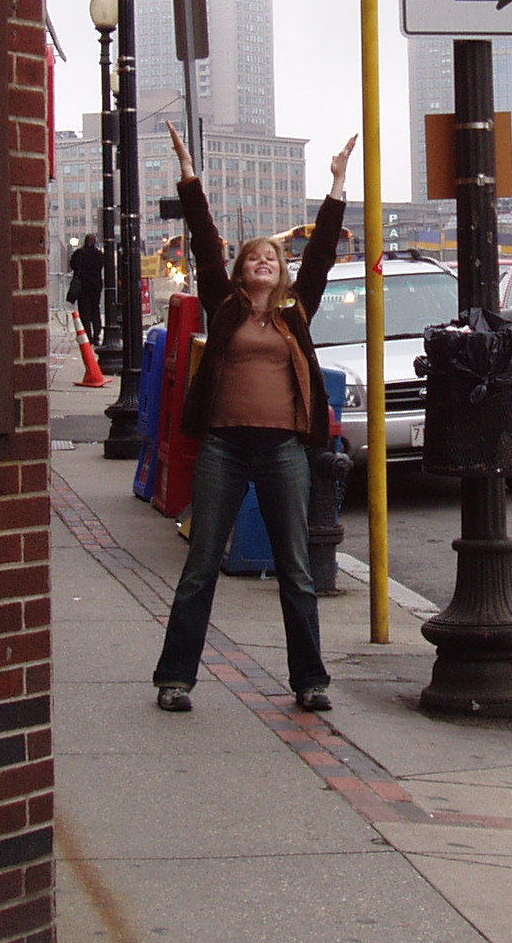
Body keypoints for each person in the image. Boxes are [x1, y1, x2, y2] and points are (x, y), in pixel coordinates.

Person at [151, 121, 358, 715]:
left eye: (272, 258)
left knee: (295, 568)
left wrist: (337, 184)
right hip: (223, 448)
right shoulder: (223, 306)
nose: (263, 262)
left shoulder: (296, 311)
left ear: (281, 271)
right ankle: (175, 679)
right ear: (241, 270)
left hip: (282, 452)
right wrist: (188, 176)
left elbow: (321, 252)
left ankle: (310, 682)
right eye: (254, 258)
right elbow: (203, 238)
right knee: (201, 565)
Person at [67, 233, 106, 348]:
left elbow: (72, 265)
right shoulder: (99, 254)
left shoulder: (79, 253)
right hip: (95, 286)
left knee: (84, 312)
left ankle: (88, 336)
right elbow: (101, 266)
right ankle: (96, 336)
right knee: (95, 310)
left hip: (83, 286)